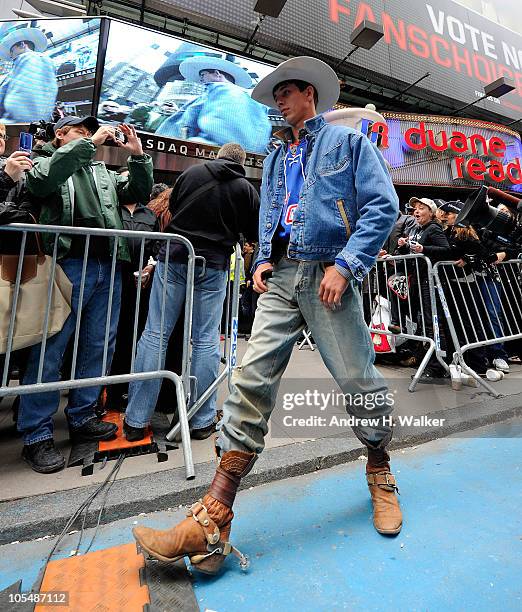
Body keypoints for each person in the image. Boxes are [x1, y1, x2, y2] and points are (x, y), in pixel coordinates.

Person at [132, 56, 401, 574]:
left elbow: (382, 207)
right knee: (249, 381)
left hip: (329, 277)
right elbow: (270, 215)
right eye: (275, 93)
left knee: (359, 381)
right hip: (281, 281)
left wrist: (345, 265)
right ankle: (214, 519)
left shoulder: (349, 143)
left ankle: (380, 468)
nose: (278, 99)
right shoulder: (276, 155)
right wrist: (260, 260)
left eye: (286, 91)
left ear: (310, 95)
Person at [17, 116, 153, 473]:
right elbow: (44, 181)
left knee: (99, 345)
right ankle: (36, 434)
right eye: (81, 132)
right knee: (51, 349)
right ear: (61, 135)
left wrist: (138, 157)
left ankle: (82, 416)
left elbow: (138, 193)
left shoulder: (102, 171)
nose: (92, 138)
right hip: (67, 263)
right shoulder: (45, 161)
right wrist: (90, 142)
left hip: (107, 263)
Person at [123, 142, 259, 442]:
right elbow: (252, 231)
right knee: (206, 340)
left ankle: (135, 421)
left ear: (217, 156)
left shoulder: (191, 174)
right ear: (242, 162)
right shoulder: (246, 189)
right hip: (213, 265)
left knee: (155, 334)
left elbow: (175, 208)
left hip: (174, 257)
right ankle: (201, 420)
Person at [156, 56, 272, 153]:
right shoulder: (244, 97)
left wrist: (186, 150)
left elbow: (225, 137)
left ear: (217, 73)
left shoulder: (222, 90)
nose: (201, 80)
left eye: (203, 75)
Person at [396, 197, 450, 383]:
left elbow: (446, 250)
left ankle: (437, 367)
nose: (416, 211)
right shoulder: (416, 230)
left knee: (433, 323)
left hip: (431, 281)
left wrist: (424, 248)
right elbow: (411, 254)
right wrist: (403, 247)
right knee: (423, 323)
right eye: (414, 209)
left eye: (421, 208)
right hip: (419, 281)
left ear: (431, 212)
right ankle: (427, 362)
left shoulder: (433, 228)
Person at [0, 24, 58, 123]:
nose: (11, 57)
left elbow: (25, 111)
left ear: (22, 44)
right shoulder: (24, 65)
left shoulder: (32, 59)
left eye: (12, 51)